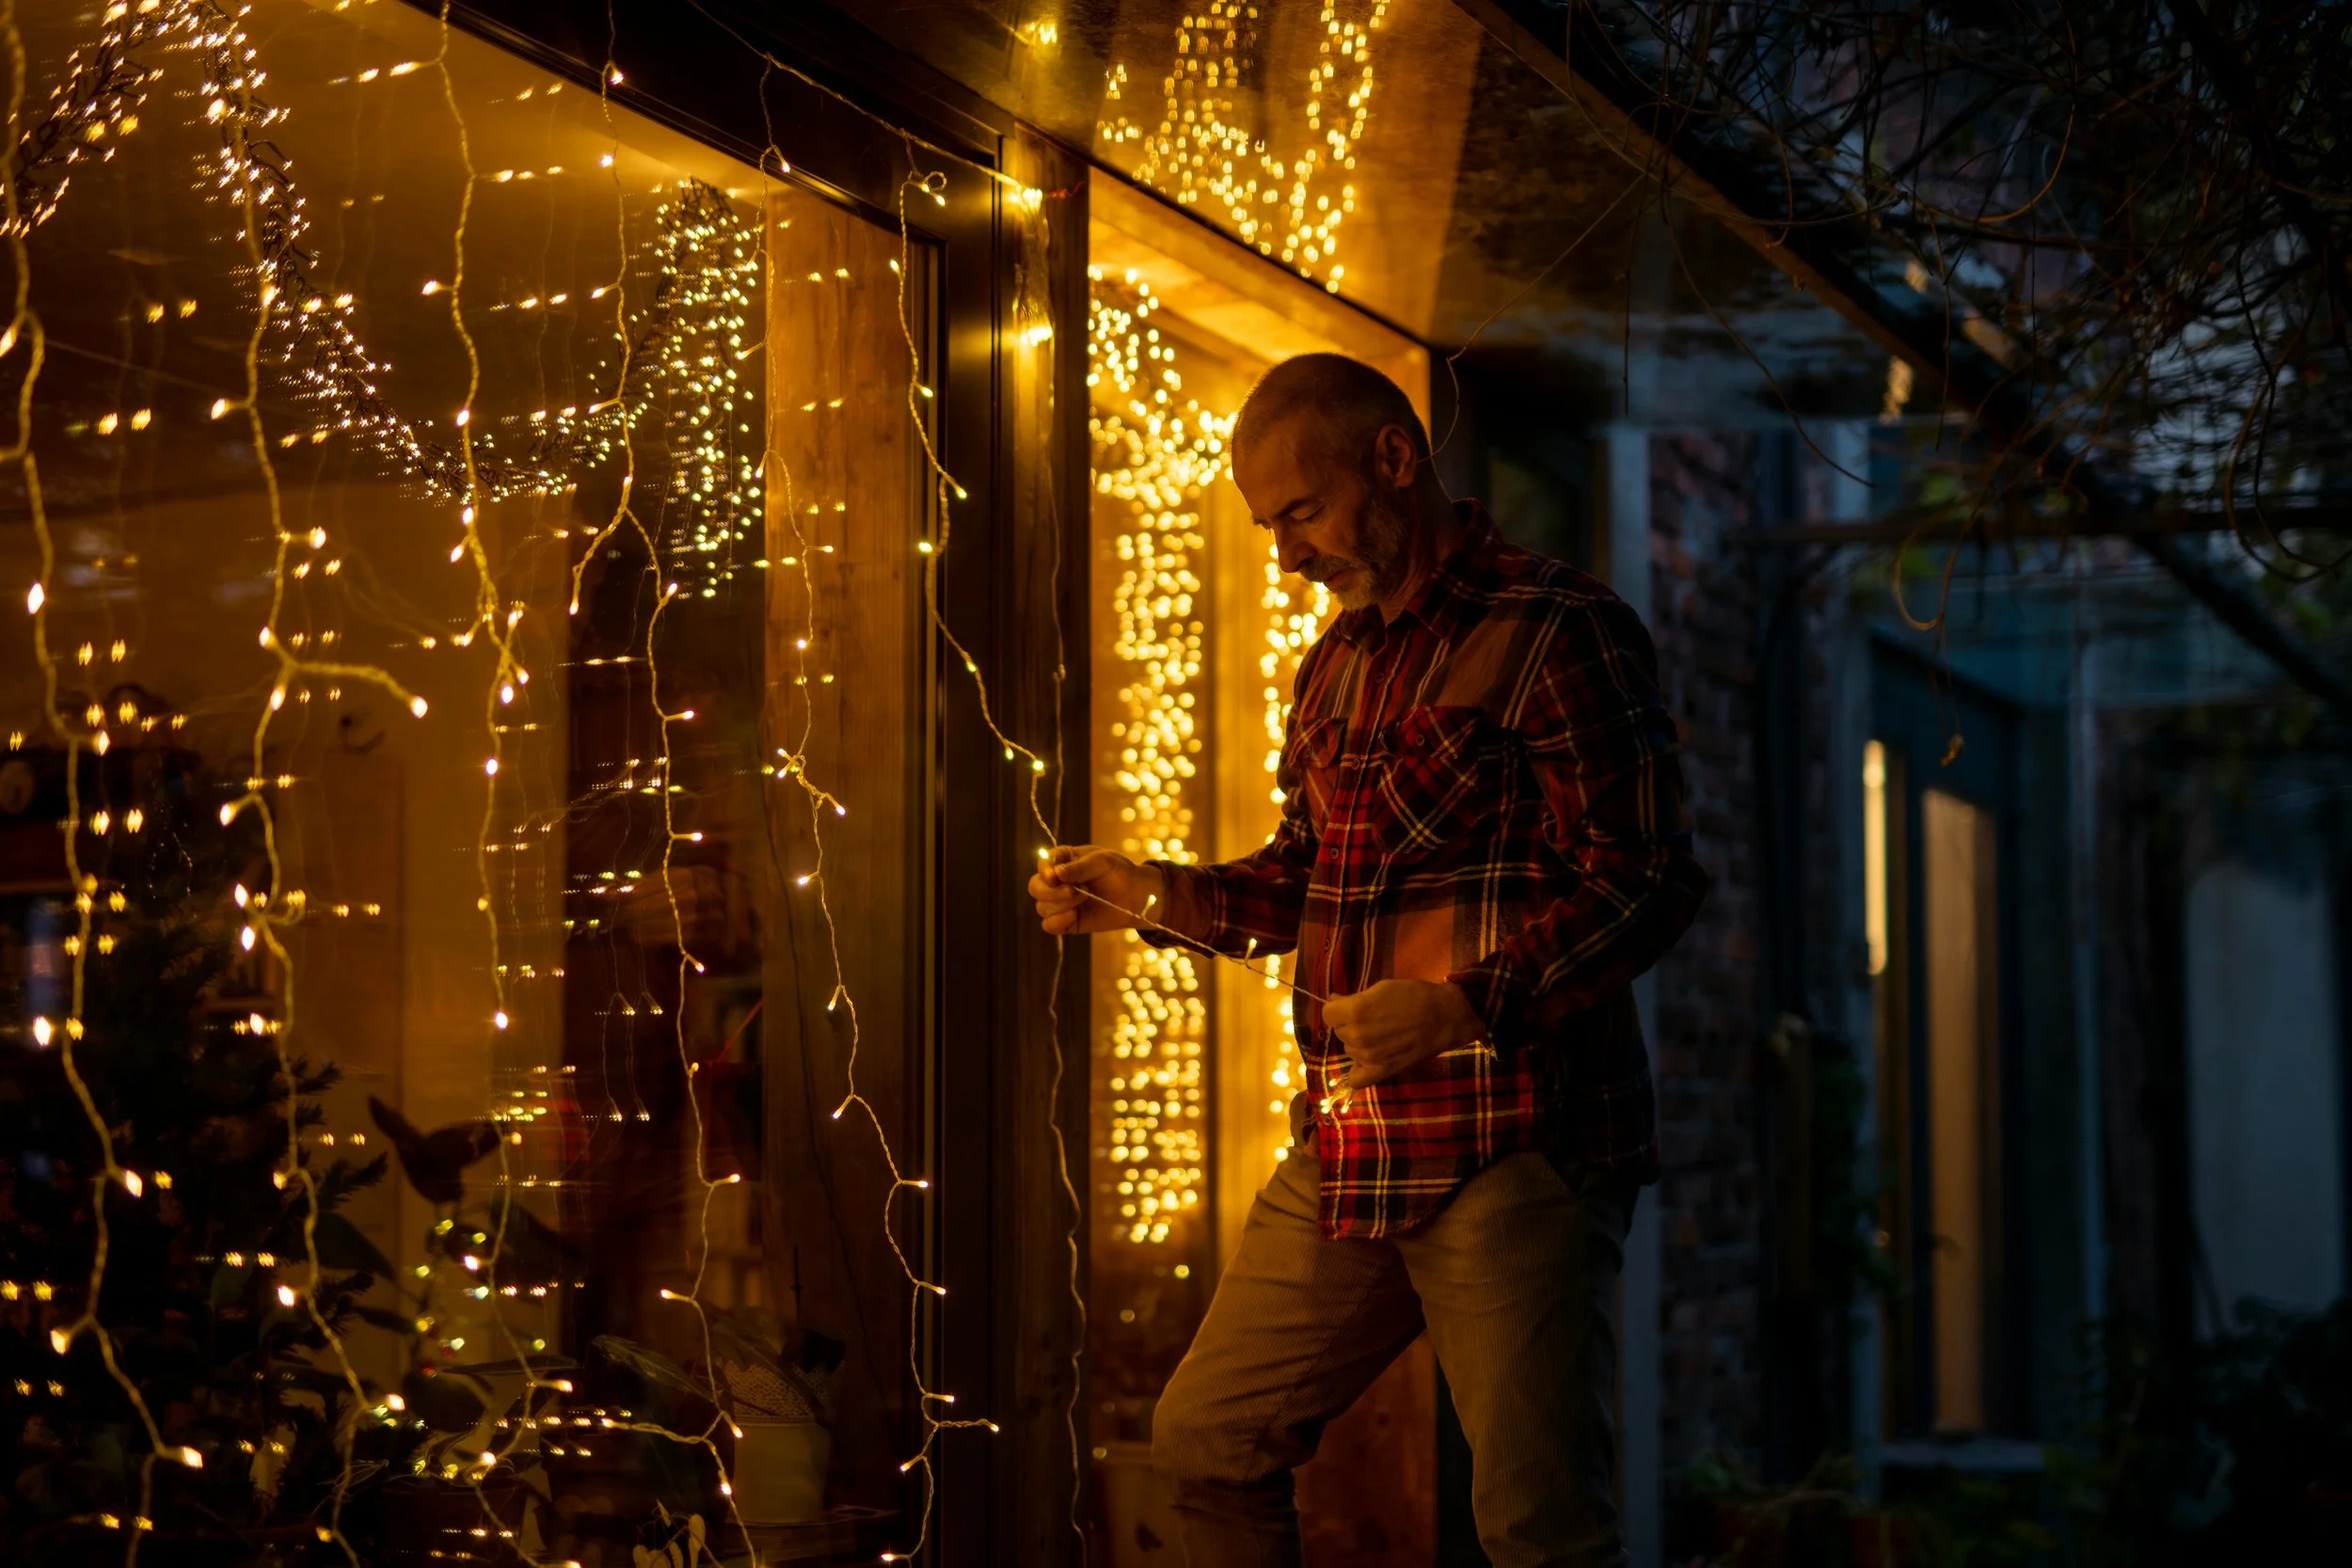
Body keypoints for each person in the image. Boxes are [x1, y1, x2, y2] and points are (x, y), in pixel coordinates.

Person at [1028, 354, 1708, 1568]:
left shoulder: (1562, 629)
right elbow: (1303, 877)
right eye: (1267, 526)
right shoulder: (1335, 662)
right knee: (1207, 1437)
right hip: (1351, 1142)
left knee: (1539, 1530)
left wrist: (1461, 1007)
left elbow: (1647, 880)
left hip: (1516, 1143)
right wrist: (1151, 895)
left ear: (1394, 460)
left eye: (1300, 511)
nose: (1285, 554)